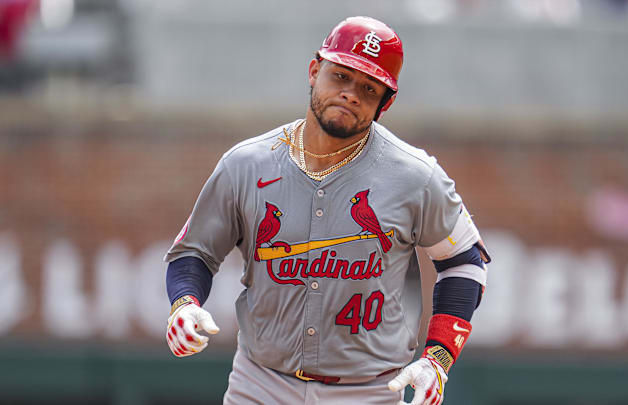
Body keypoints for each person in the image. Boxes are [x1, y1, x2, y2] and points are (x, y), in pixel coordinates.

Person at [164, 16, 491, 405]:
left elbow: (464, 262)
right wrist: (184, 304)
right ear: (314, 71)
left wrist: (437, 359)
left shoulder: (417, 176)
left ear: (385, 103)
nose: (351, 93)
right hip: (261, 383)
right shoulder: (246, 163)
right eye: (341, 76)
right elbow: (194, 251)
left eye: (369, 88)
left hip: (369, 390)